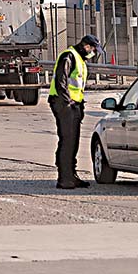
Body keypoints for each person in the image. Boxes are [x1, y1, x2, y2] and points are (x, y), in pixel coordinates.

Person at [50, 34, 103, 189]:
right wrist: (68, 103)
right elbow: (61, 81)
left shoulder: (80, 59)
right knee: (67, 141)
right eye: (93, 49)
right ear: (86, 46)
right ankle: (64, 178)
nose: (93, 53)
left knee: (73, 141)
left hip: (74, 105)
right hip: (64, 104)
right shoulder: (69, 56)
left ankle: (72, 175)